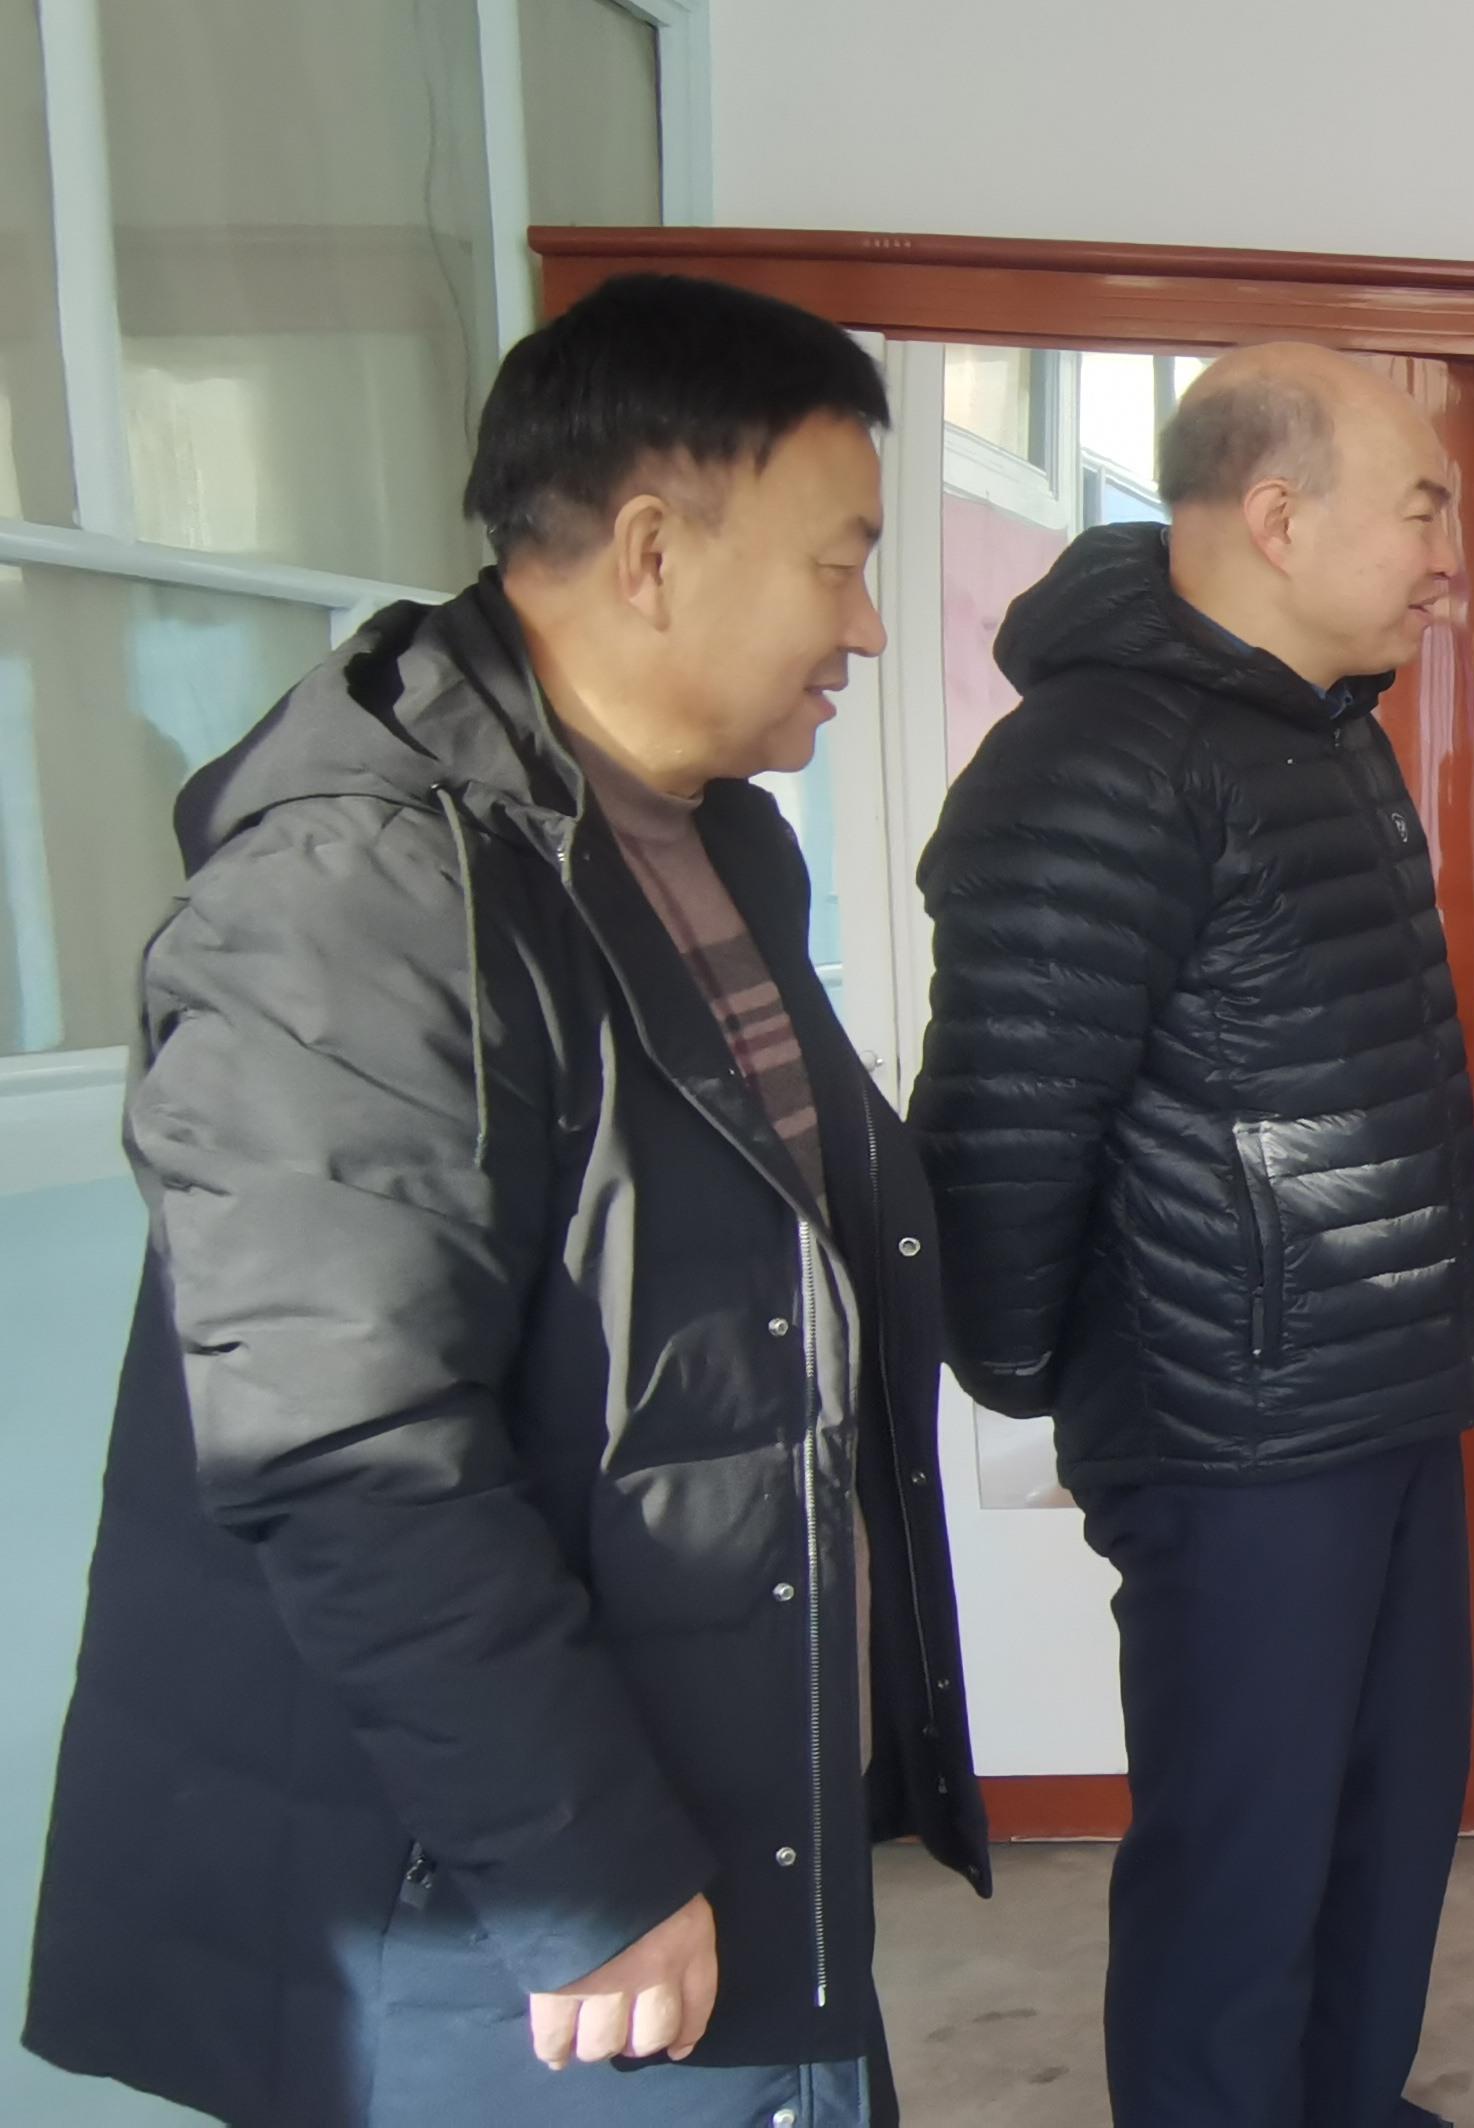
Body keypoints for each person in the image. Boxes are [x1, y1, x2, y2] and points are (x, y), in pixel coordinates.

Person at [23, 272, 986, 2126]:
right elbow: (345, 1449)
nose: (866, 624)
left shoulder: (710, 840)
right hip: (498, 1906)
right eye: (840, 561)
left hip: (721, 1791)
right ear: (651, 551)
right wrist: (579, 1871)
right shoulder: (359, 895)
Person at [912, 342, 1474, 2126]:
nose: (1446, 554)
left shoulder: (1320, 727)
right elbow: (1006, 1117)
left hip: (1377, 1392)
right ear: (1276, 515)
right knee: (1242, 1868)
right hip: (1230, 1423)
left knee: (1385, 1825)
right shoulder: (1100, 759)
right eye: (1421, 508)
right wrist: (1044, 1376)